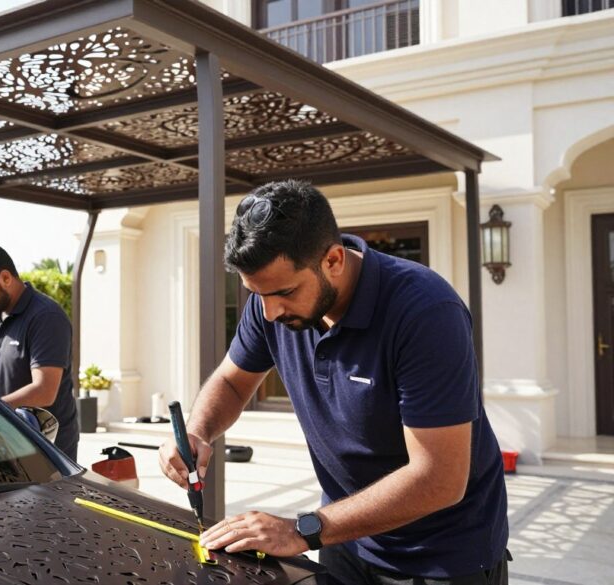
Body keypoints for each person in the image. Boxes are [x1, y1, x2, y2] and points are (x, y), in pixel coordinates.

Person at [159, 180, 509, 584]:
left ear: (334, 261)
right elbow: (233, 382)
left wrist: (301, 530)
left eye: (284, 292)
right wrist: (199, 431)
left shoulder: (426, 311)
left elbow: (440, 479)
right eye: (257, 294)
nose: (270, 312)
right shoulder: (269, 302)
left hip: (442, 556)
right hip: (344, 537)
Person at [0, 241, 79, 459]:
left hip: (45, 454)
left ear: (6, 278)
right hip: (0, 446)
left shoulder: (46, 317)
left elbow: (45, 390)